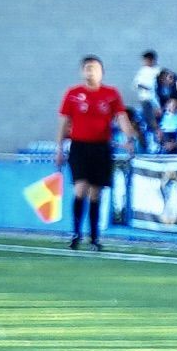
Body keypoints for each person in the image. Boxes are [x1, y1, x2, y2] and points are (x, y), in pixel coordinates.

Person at [55, 53, 126, 254]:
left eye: (94, 68)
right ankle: (76, 233)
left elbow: (121, 117)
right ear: (82, 71)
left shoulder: (111, 94)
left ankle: (94, 236)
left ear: (101, 72)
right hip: (79, 146)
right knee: (80, 189)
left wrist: (129, 138)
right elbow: (64, 121)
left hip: (102, 147)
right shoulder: (73, 93)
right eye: (87, 68)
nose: (90, 71)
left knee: (96, 192)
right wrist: (59, 147)